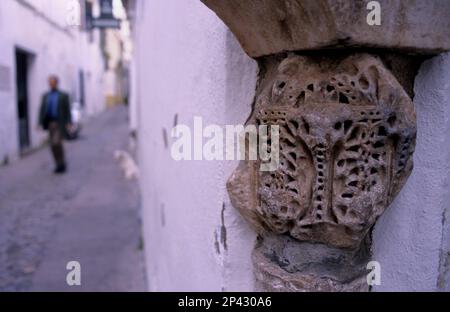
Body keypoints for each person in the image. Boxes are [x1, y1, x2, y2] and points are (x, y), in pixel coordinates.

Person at [38, 75, 72, 174]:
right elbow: (42, 109)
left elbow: (67, 110)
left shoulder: (63, 95)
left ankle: (61, 163)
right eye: (49, 82)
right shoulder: (46, 96)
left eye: (52, 82)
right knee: (53, 145)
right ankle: (58, 163)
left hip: (59, 123)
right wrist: (39, 122)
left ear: (56, 83)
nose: (51, 84)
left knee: (56, 143)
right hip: (49, 123)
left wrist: (69, 122)